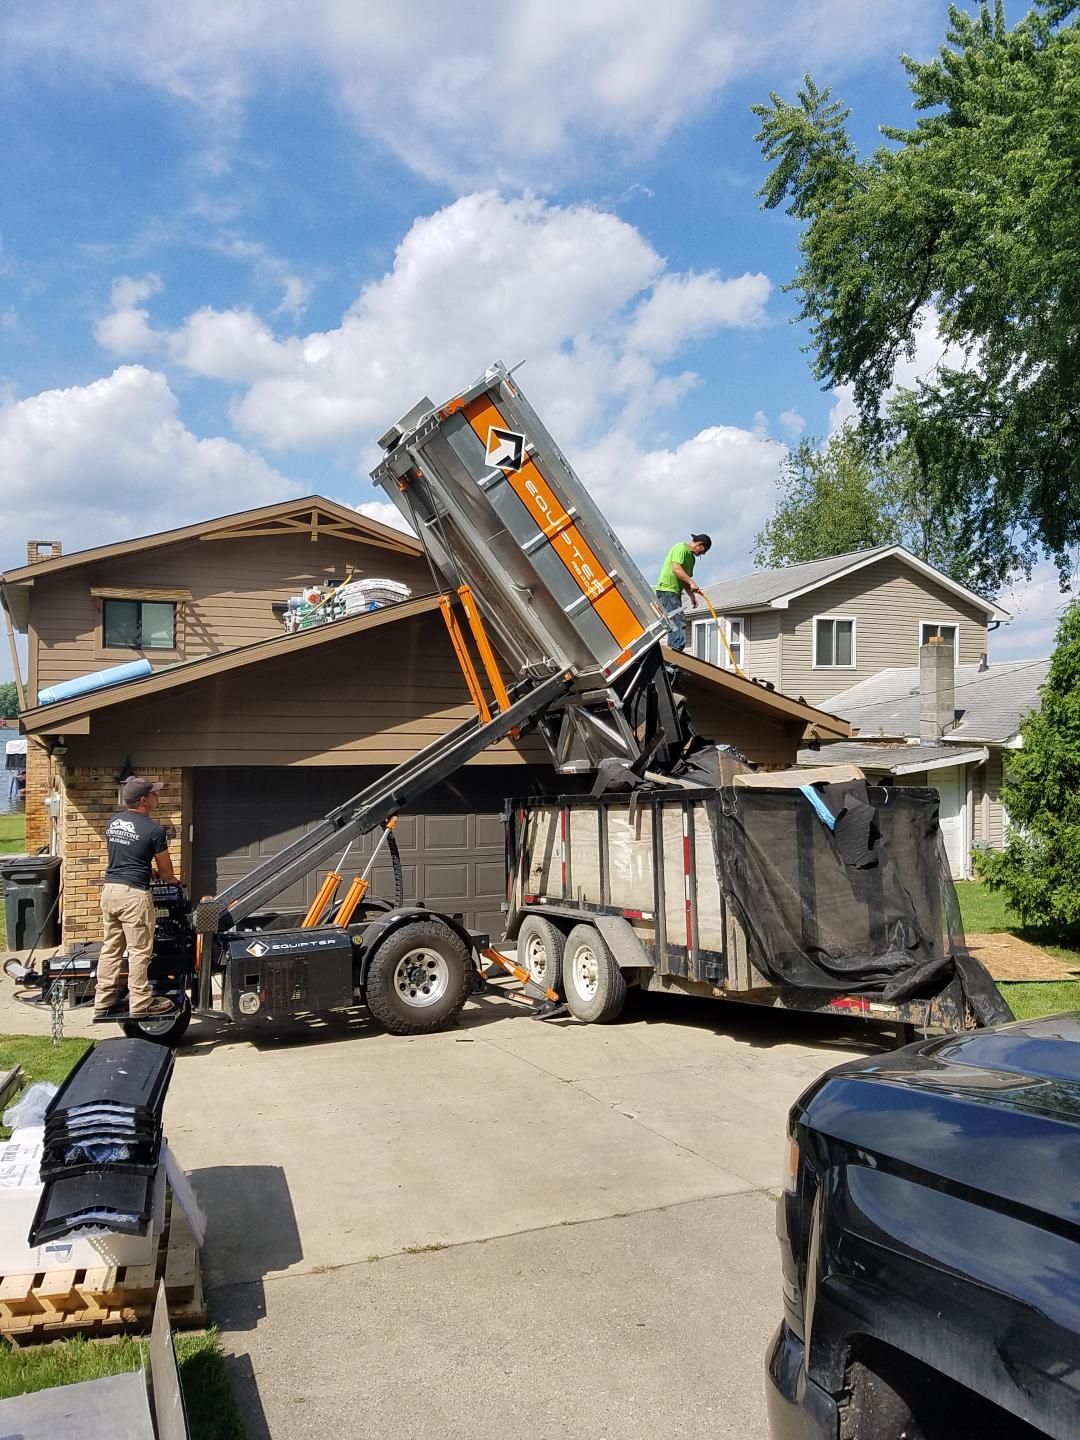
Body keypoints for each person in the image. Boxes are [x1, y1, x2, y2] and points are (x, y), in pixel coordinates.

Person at [94, 777, 177, 1019]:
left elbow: (125, 857)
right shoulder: (154, 830)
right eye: (153, 793)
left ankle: (104, 1001)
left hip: (110, 891)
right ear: (144, 800)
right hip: (133, 896)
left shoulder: (113, 822)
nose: (156, 796)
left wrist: (143, 868)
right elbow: (166, 872)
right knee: (139, 951)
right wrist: (174, 883)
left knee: (111, 948)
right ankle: (140, 1003)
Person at [655, 533, 712, 651]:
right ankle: (674, 657)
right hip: (666, 590)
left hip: (675, 593)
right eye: (703, 551)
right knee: (677, 622)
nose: (702, 554)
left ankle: (674, 655)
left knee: (677, 621)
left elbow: (685, 579)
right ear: (700, 545)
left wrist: (692, 596)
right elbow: (676, 569)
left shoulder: (691, 559)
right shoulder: (681, 548)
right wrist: (692, 582)